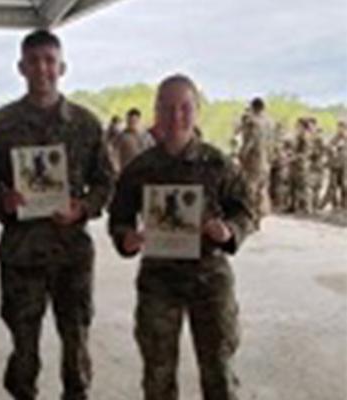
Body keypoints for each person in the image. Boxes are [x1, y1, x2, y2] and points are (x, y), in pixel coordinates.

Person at [0, 30, 114, 400]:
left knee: (76, 343)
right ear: (21, 67)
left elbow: (105, 182)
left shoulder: (86, 124)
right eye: (34, 60)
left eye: (49, 60)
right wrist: (1, 204)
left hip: (72, 254)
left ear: (62, 66)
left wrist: (82, 208)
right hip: (21, 253)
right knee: (23, 347)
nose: (42, 68)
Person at [108, 74, 255, 400]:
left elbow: (246, 210)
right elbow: (118, 218)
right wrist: (126, 238)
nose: (177, 116)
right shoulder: (139, 169)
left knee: (219, 373)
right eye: (168, 108)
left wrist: (229, 230)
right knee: (158, 376)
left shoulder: (218, 164)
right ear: (156, 112)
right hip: (158, 282)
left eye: (185, 107)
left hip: (210, 281)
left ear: (197, 110)